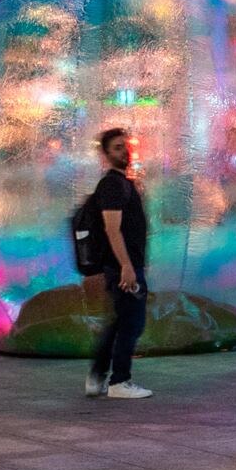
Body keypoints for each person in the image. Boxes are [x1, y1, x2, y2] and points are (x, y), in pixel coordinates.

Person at [85, 128, 151, 400]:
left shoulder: (123, 182)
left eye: (125, 145)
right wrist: (127, 266)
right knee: (132, 323)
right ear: (106, 154)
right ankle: (119, 381)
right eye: (116, 147)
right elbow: (113, 229)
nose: (124, 151)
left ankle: (97, 377)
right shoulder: (112, 184)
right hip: (123, 266)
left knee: (120, 322)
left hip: (124, 265)